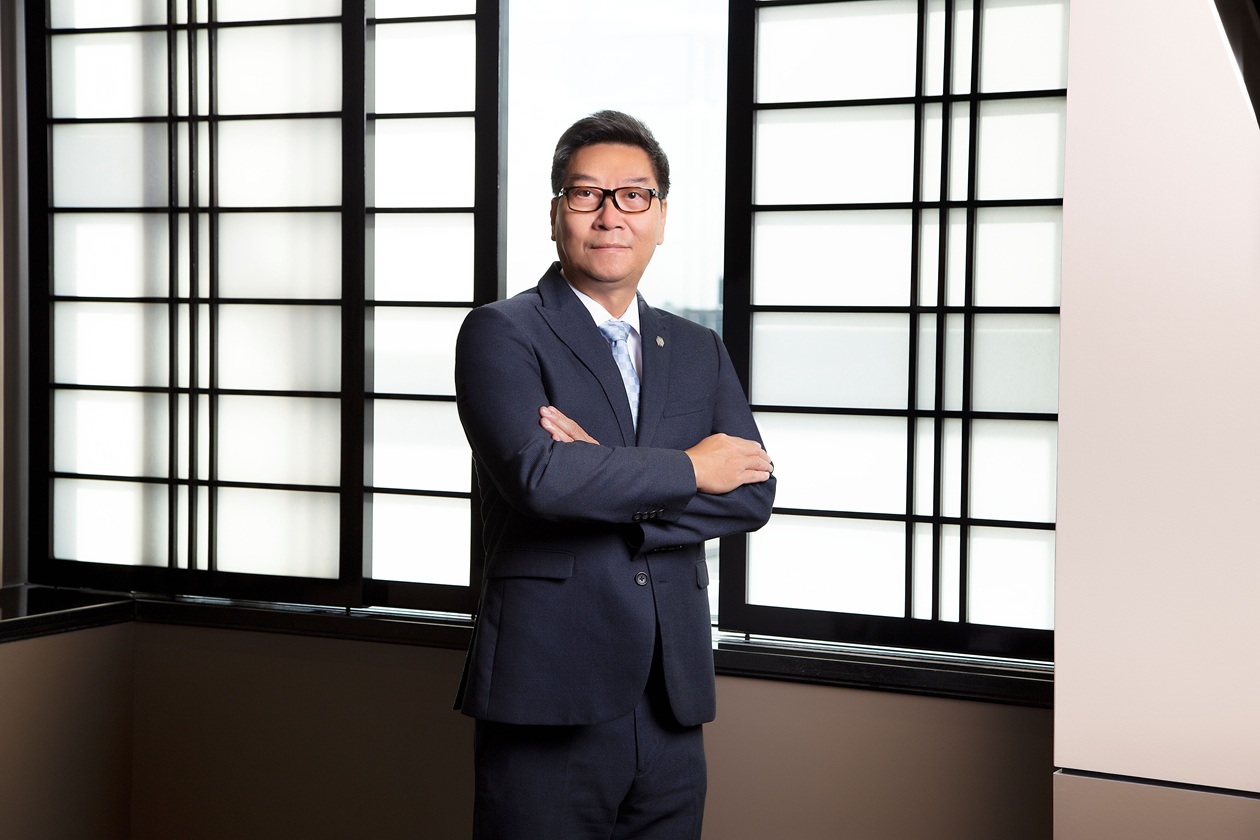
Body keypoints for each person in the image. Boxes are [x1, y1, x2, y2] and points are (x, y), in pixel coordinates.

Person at [453, 109, 775, 839]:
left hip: (671, 694)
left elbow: (752, 493)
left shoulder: (696, 348)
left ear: (660, 217)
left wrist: (599, 474)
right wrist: (692, 468)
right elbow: (540, 480)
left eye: (634, 195)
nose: (610, 215)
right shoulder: (502, 332)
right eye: (585, 194)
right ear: (555, 214)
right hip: (548, 687)